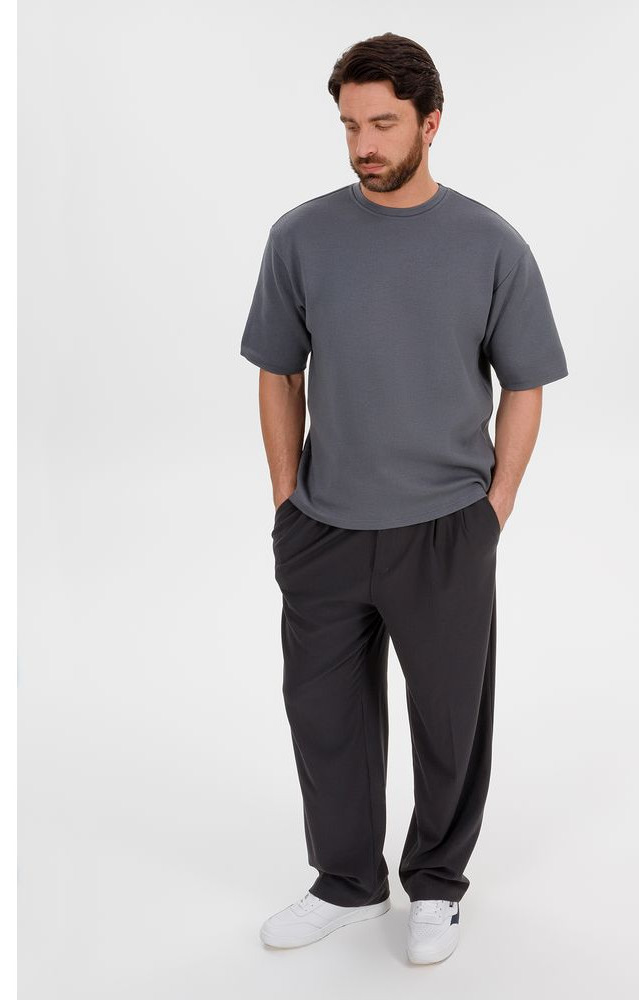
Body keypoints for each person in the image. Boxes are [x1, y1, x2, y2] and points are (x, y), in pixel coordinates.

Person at [241, 32, 568, 965]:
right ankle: (346, 881)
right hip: (325, 527)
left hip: (444, 529)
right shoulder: (300, 237)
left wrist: (495, 507)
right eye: (350, 126)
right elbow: (277, 372)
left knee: (449, 721)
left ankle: (435, 883)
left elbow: (526, 383)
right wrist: (286, 499)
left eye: (383, 124)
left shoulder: (490, 244)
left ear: (431, 122)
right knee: (324, 717)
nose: (364, 145)